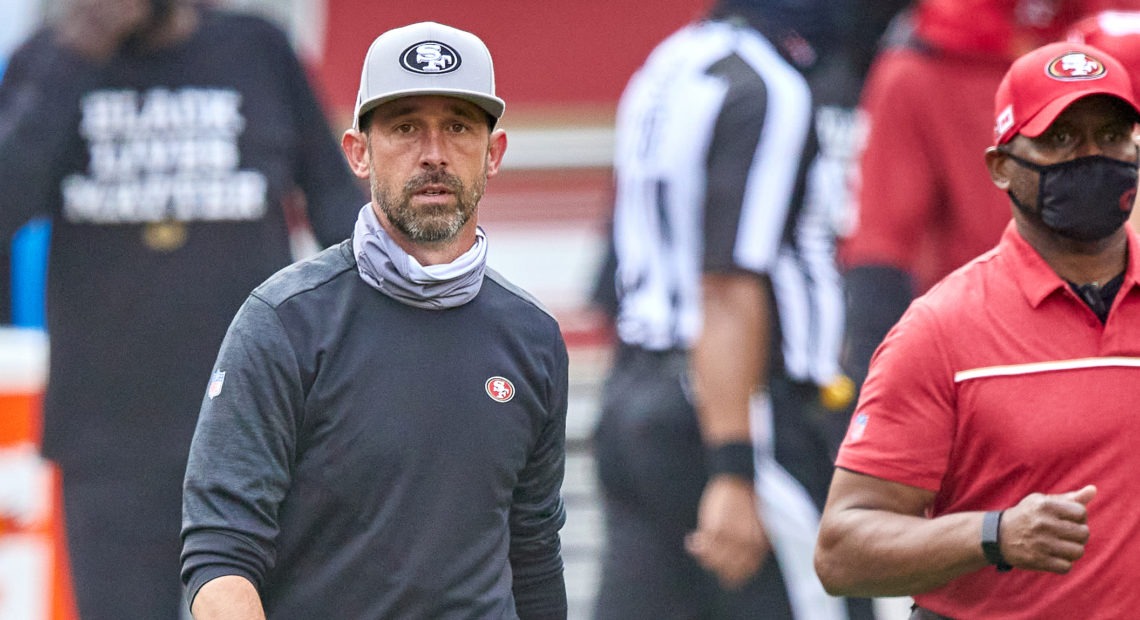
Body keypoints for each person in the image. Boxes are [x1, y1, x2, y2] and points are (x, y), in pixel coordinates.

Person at [180, 21, 569, 619]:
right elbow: (220, 556)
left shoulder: (533, 338)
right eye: (406, 127)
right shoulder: (283, 322)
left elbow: (535, 556)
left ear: (494, 153)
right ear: (359, 153)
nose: (434, 153)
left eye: (459, 127)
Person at [0, 0, 364, 617]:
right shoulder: (50, 60)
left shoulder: (257, 50)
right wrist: (76, 56)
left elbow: (334, 200)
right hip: (108, 440)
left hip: (257, 423)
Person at [815, 41, 1140, 619]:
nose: (1092, 156)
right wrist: (993, 535)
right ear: (1001, 167)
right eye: (1060, 139)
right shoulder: (941, 329)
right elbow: (842, 550)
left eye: (1112, 136)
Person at [591, 1, 877, 618]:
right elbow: (725, 284)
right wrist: (734, 469)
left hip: (639, 392)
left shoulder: (673, 61)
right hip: (738, 412)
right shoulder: (769, 85)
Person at [838, 0, 1140, 393]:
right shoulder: (925, 60)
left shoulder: (1116, 34)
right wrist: (873, 378)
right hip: (988, 362)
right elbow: (881, 244)